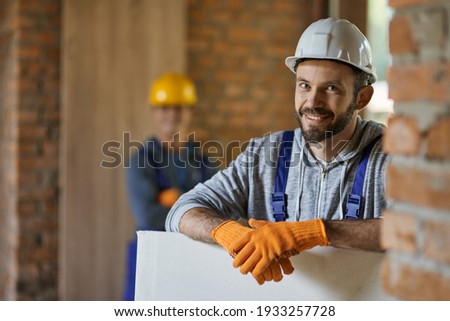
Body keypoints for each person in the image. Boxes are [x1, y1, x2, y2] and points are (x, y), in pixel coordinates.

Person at [165, 17, 390, 285]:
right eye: (304, 85)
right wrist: (228, 232)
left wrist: (317, 232)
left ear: (362, 98)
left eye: (331, 88)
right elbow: (182, 211)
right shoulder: (266, 155)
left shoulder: (392, 158)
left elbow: (424, 232)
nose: (312, 102)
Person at [123, 72, 217, 300]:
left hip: (196, 258)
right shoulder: (141, 160)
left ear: (190, 111)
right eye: (165, 107)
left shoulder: (205, 162)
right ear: (154, 111)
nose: (172, 114)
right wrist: (195, 209)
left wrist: (174, 198)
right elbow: (148, 216)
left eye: (179, 107)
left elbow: (220, 209)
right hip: (153, 257)